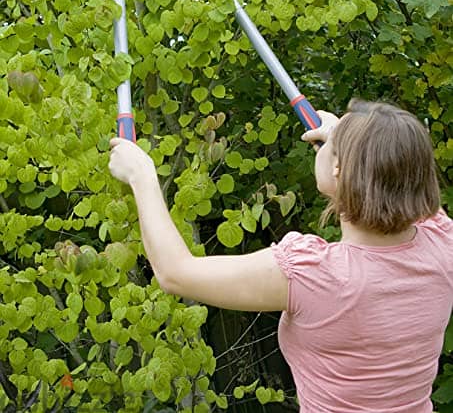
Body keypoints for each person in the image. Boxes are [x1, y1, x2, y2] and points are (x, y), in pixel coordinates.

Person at [108, 99, 453, 413]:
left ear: (339, 170)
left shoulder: (315, 274)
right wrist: (345, 138)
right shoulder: (442, 245)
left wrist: (142, 176)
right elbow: (400, 176)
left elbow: (175, 273)